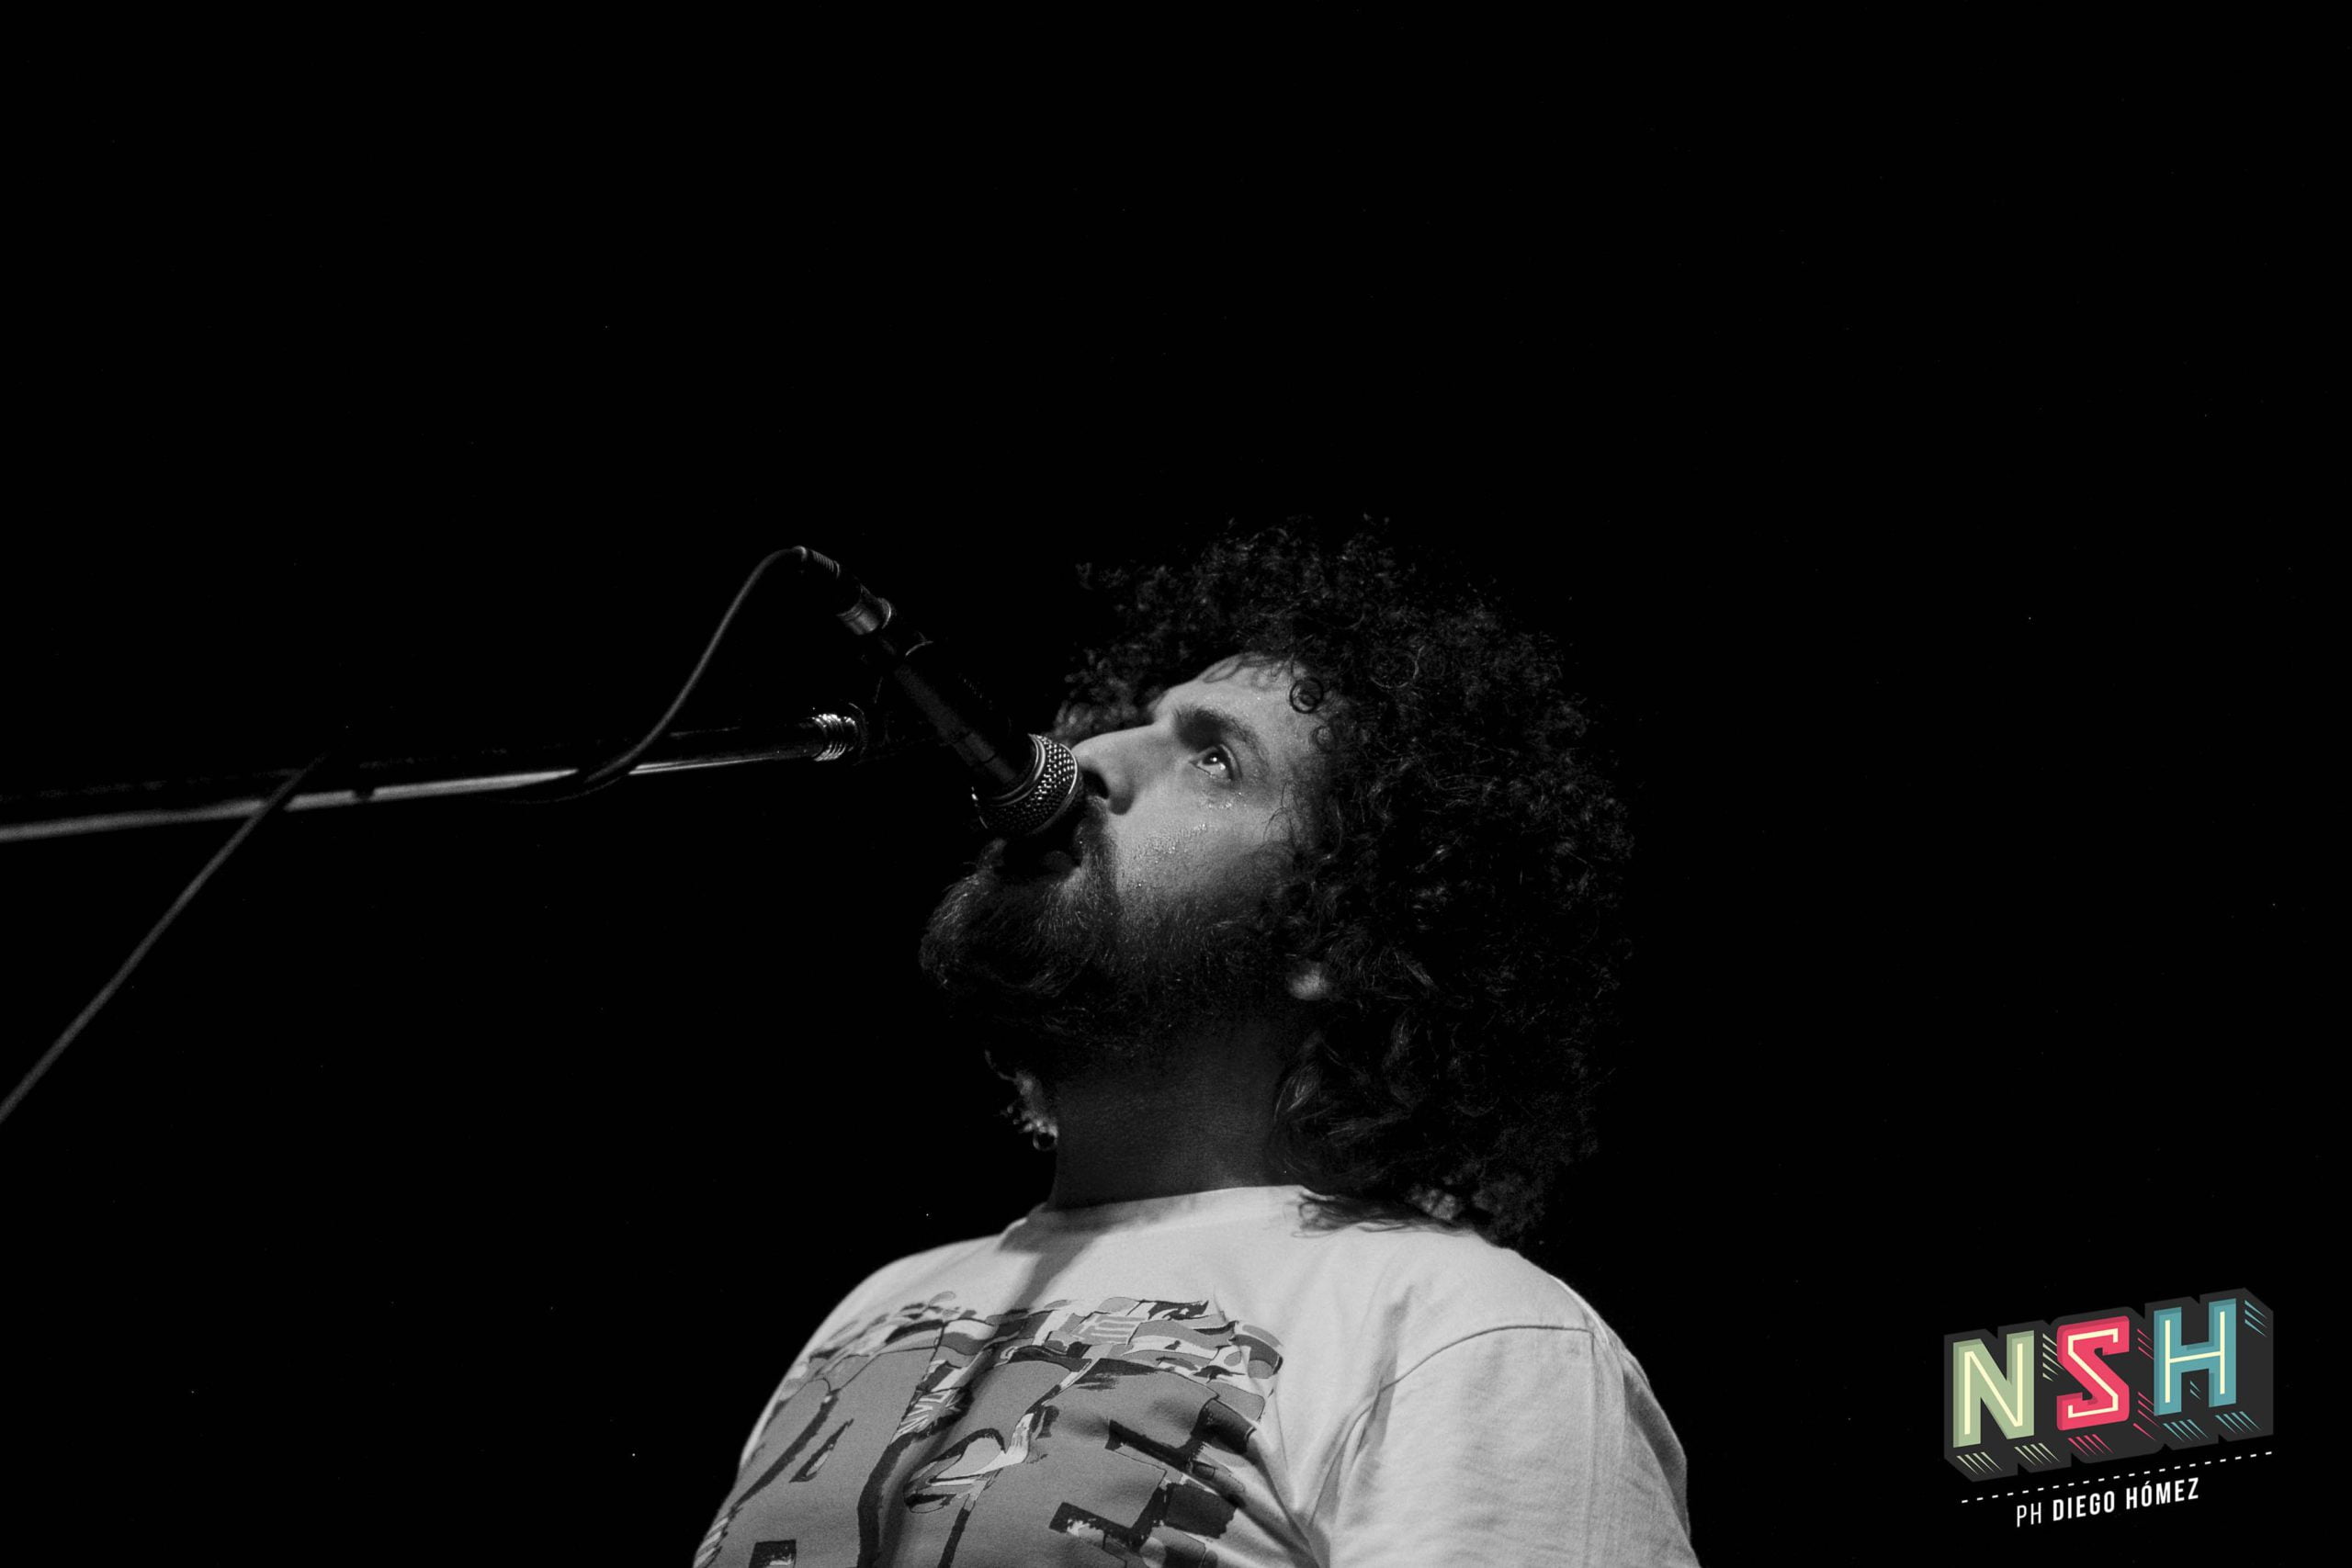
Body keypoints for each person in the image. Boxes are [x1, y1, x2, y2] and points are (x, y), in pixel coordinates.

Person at [694, 525, 1697, 1566]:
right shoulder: (882, 1308)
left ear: (1330, 930)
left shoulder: (1459, 1328)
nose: (1087, 759)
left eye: (1214, 759)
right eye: (1138, 722)